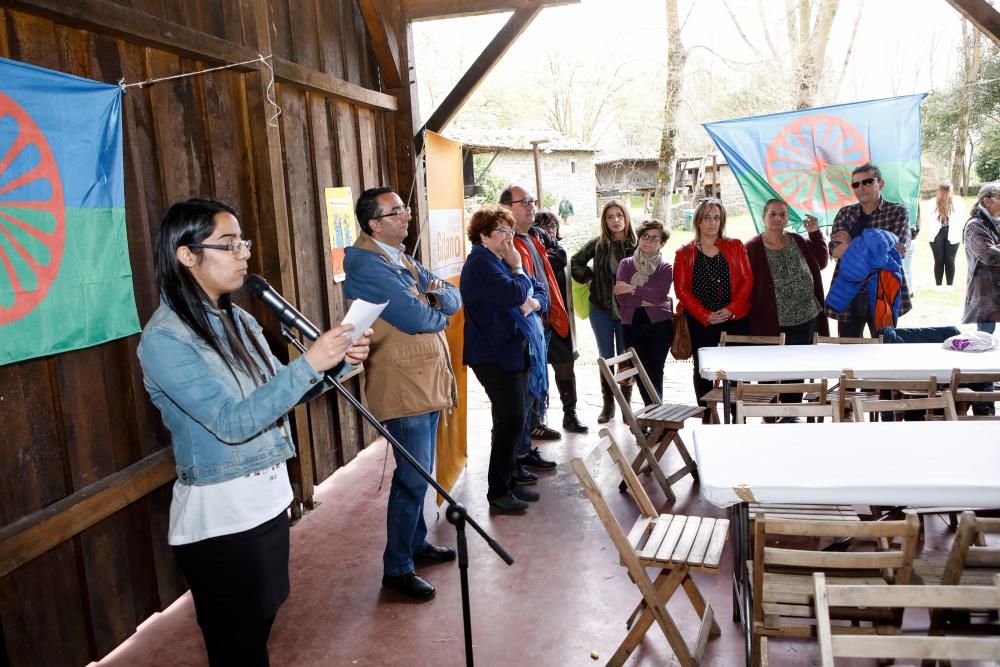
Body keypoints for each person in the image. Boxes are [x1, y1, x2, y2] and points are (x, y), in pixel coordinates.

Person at [138, 198, 371, 667]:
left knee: (260, 627)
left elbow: (276, 399)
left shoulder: (239, 320)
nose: (244, 253)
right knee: (237, 648)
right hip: (220, 522)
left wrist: (340, 364)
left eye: (242, 242)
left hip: (266, 504)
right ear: (186, 255)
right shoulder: (164, 340)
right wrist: (308, 363)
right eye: (229, 244)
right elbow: (232, 422)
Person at [343, 187, 461, 602]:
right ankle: (397, 567)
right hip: (403, 383)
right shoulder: (366, 265)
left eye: (405, 208)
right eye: (396, 212)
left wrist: (430, 299)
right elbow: (415, 316)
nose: (407, 216)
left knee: (421, 472)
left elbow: (452, 295)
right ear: (374, 223)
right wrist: (432, 306)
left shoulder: (402, 258)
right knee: (412, 477)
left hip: (425, 380)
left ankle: (416, 544)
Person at [461, 205, 548, 514]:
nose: (509, 239)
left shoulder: (494, 259)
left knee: (513, 419)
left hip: (512, 349)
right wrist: (517, 268)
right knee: (510, 420)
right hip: (493, 354)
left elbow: (536, 289)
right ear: (483, 235)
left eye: (512, 232)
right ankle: (498, 491)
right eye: (502, 232)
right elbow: (514, 293)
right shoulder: (481, 264)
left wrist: (527, 290)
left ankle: (509, 480)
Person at [499, 186, 568, 468]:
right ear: (506, 209)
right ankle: (516, 456)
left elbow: (540, 286)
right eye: (523, 202)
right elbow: (522, 292)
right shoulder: (506, 243)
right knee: (521, 399)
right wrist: (537, 303)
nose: (531, 206)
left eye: (532, 201)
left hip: (541, 325)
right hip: (525, 331)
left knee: (530, 395)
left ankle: (524, 450)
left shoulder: (532, 238)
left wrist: (540, 303)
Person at [673, 197, 752, 421]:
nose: (712, 222)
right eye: (707, 217)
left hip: (735, 318)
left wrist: (731, 309)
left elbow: (747, 280)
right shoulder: (684, 253)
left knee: (736, 371)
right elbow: (681, 290)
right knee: (704, 371)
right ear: (698, 221)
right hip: (701, 321)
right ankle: (708, 416)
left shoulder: (735, 246)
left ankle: (739, 417)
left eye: (716, 218)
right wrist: (705, 315)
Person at [745, 199, 828, 410]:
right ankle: (769, 413)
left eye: (782, 214)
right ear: (763, 217)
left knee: (796, 369)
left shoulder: (797, 240)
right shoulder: (752, 247)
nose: (777, 219)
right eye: (773, 214)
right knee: (769, 369)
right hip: (771, 321)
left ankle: (792, 412)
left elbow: (821, 260)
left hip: (805, 317)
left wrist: (815, 233)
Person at [571, 199, 637, 423]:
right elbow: (576, 262)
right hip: (600, 309)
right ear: (604, 221)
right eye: (610, 216)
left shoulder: (636, 245)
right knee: (606, 357)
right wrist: (589, 279)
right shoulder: (598, 244)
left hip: (628, 311)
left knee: (626, 356)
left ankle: (626, 404)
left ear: (626, 217)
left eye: (619, 215)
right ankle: (608, 405)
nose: (615, 220)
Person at [827, 162, 912, 337]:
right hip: (848, 291)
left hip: (884, 289)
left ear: (880, 183)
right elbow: (835, 250)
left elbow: (895, 254)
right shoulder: (845, 213)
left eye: (867, 182)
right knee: (847, 348)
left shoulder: (898, 212)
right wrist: (876, 248)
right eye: (855, 184)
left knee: (883, 348)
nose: (861, 188)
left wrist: (851, 245)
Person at [534, 210, 588, 433]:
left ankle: (570, 414)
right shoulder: (532, 254)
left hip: (560, 321)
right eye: (543, 227)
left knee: (565, 369)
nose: (549, 231)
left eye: (553, 227)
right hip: (538, 321)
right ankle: (537, 419)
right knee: (537, 373)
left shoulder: (560, 255)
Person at [614, 219, 674, 405]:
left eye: (654, 238)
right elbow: (621, 298)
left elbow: (658, 297)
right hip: (631, 325)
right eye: (645, 236)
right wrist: (646, 296)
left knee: (656, 371)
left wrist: (631, 288)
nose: (648, 241)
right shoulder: (625, 264)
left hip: (660, 326)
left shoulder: (666, 268)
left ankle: (657, 416)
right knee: (640, 371)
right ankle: (652, 413)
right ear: (639, 238)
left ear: (662, 243)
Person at [961, 182, 1000, 334]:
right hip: (984, 292)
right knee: (984, 338)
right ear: (987, 201)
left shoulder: (995, 222)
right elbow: (990, 256)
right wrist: (994, 248)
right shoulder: (974, 226)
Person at [930, 182, 962, 289]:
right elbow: (930, 218)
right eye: (945, 191)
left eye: (949, 191)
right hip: (937, 233)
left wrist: (948, 208)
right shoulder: (932, 202)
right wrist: (941, 208)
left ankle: (949, 286)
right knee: (939, 260)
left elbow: (960, 217)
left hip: (953, 232)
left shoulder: (957, 201)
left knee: (950, 260)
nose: (947, 194)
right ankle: (938, 285)